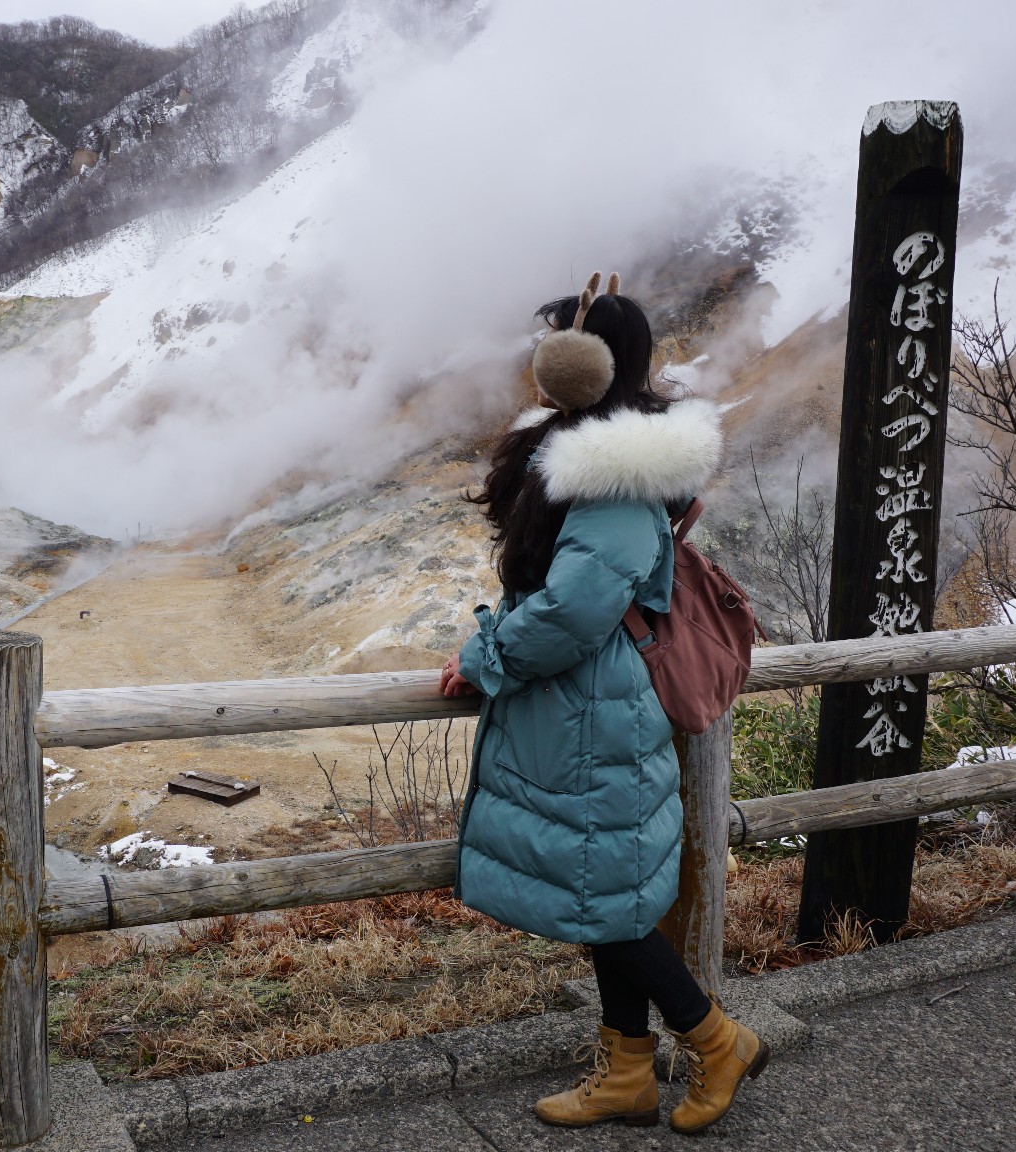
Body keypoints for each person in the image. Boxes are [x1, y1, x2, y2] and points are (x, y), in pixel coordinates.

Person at [438, 272, 767, 1134]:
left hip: (593, 714)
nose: (538, 370)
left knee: (604, 904)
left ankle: (717, 1041)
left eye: (554, 350)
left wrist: (484, 655)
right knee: (604, 896)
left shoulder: (616, 478)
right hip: (584, 712)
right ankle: (627, 1071)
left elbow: (575, 610)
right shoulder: (598, 455)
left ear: (588, 365)